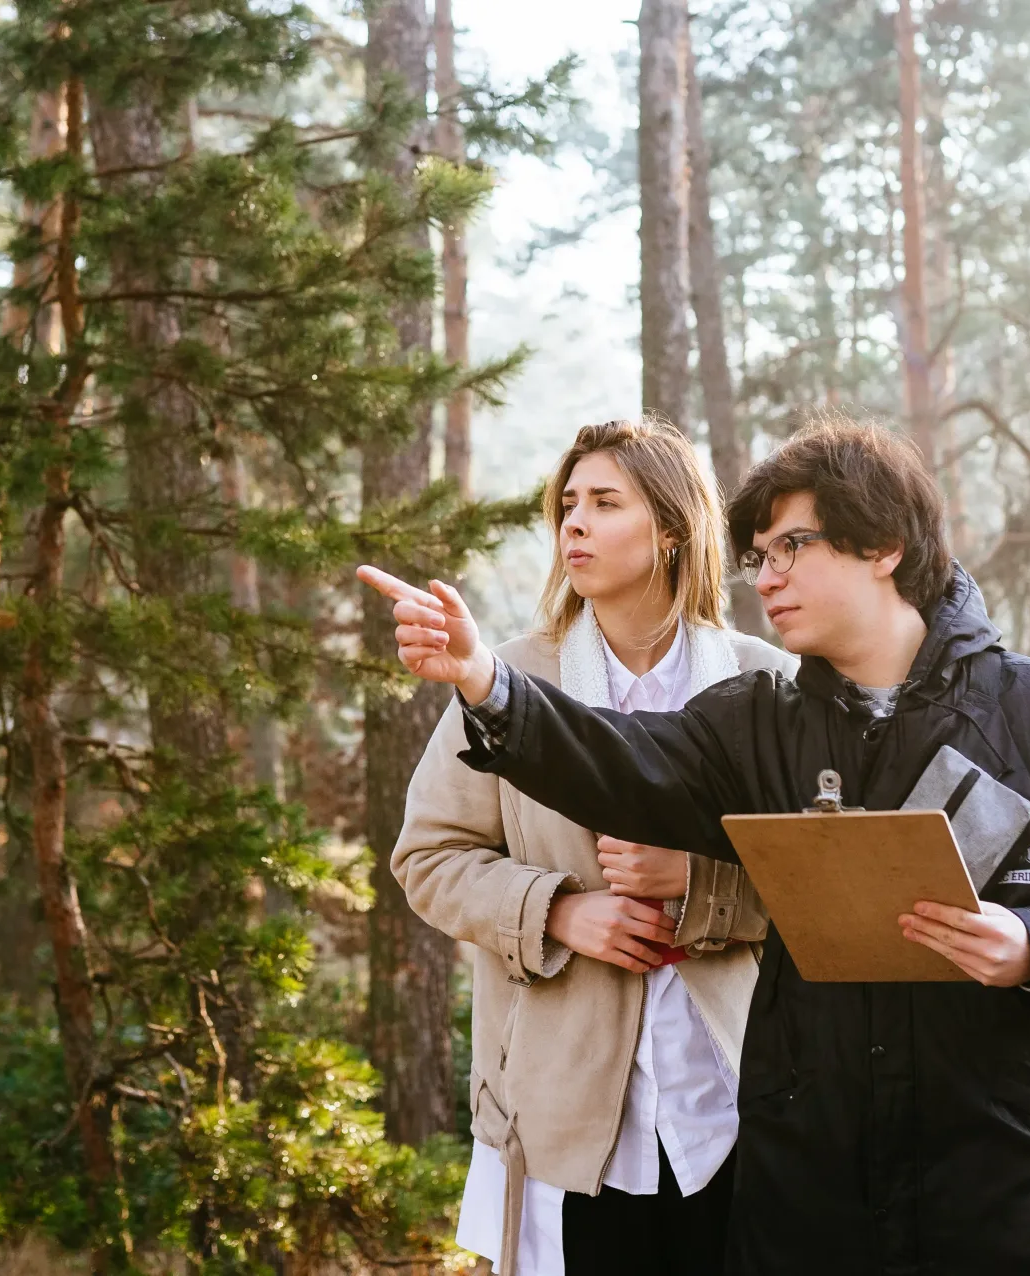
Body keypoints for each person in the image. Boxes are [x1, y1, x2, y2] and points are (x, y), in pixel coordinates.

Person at [359, 416, 1030, 1276]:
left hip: (1023, 1196)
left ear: (882, 545)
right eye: (759, 556)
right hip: (816, 1205)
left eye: (792, 548)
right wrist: (486, 682)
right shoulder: (758, 723)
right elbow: (620, 760)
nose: (766, 579)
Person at [390, 418, 796, 1276]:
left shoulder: (768, 684)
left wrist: (699, 887)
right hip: (564, 1121)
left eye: (605, 503)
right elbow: (427, 859)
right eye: (567, 504)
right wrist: (559, 911)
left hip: (739, 1108)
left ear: (673, 530)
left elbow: (826, 883)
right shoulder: (504, 680)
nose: (573, 523)